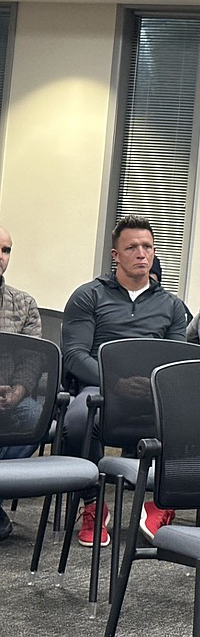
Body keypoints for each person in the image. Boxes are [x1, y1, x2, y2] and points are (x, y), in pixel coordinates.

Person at [61, 215, 189, 547]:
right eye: (132, 247)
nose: (141, 253)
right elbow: (75, 355)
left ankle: (160, 504)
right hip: (100, 389)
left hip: (153, 394)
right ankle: (93, 504)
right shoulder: (88, 296)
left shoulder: (172, 306)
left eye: (147, 246)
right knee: (76, 421)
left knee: (195, 423)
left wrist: (152, 386)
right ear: (115, 254)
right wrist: (115, 384)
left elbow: (176, 359)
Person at [0, 226, 43, 541]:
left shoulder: (24, 304)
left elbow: (32, 358)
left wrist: (18, 391)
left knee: (39, 416)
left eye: (6, 250)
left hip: (8, 396)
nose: (1, 257)